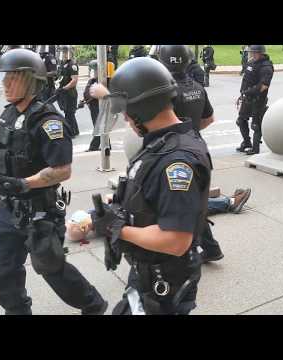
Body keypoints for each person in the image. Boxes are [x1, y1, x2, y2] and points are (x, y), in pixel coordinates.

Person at [0, 49, 108, 315]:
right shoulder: (8, 115)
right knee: (1, 264)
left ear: (32, 81)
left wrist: (24, 184)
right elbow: (4, 151)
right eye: (4, 78)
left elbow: (62, 170)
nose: (6, 83)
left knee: (52, 269)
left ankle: (93, 305)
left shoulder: (49, 122)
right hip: (9, 209)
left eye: (13, 78)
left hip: (40, 212)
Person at [89, 57, 211, 315]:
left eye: (126, 111)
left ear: (141, 109)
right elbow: (153, 196)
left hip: (164, 279)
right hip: (149, 271)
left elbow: (176, 239)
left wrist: (116, 228)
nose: (125, 117)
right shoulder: (165, 141)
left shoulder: (176, 162)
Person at [158, 44, 223, 263]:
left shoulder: (165, 91)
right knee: (196, 203)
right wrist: (191, 130)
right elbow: (208, 119)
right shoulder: (197, 86)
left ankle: (186, 254)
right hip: (198, 148)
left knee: (178, 204)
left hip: (174, 153)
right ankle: (211, 248)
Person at [235, 45, 274, 155]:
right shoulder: (251, 63)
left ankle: (255, 149)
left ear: (260, 53)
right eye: (251, 52)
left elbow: (263, 86)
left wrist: (250, 91)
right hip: (247, 97)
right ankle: (247, 143)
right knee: (241, 121)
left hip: (258, 99)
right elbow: (246, 79)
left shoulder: (266, 67)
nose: (251, 54)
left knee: (256, 125)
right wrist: (243, 93)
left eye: (254, 53)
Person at [56, 45, 80, 137]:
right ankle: (75, 130)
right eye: (63, 52)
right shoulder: (62, 64)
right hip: (64, 93)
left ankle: (71, 133)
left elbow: (74, 80)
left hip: (70, 93)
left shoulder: (72, 65)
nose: (64, 54)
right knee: (68, 113)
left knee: (69, 113)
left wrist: (64, 88)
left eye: (65, 52)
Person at [79, 59, 101, 151]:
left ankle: (93, 147)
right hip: (92, 106)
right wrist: (83, 100)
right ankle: (106, 144)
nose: (92, 72)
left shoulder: (102, 80)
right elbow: (88, 92)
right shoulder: (92, 80)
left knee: (98, 126)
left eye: (94, 70)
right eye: (91, 70)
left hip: (97, 106)